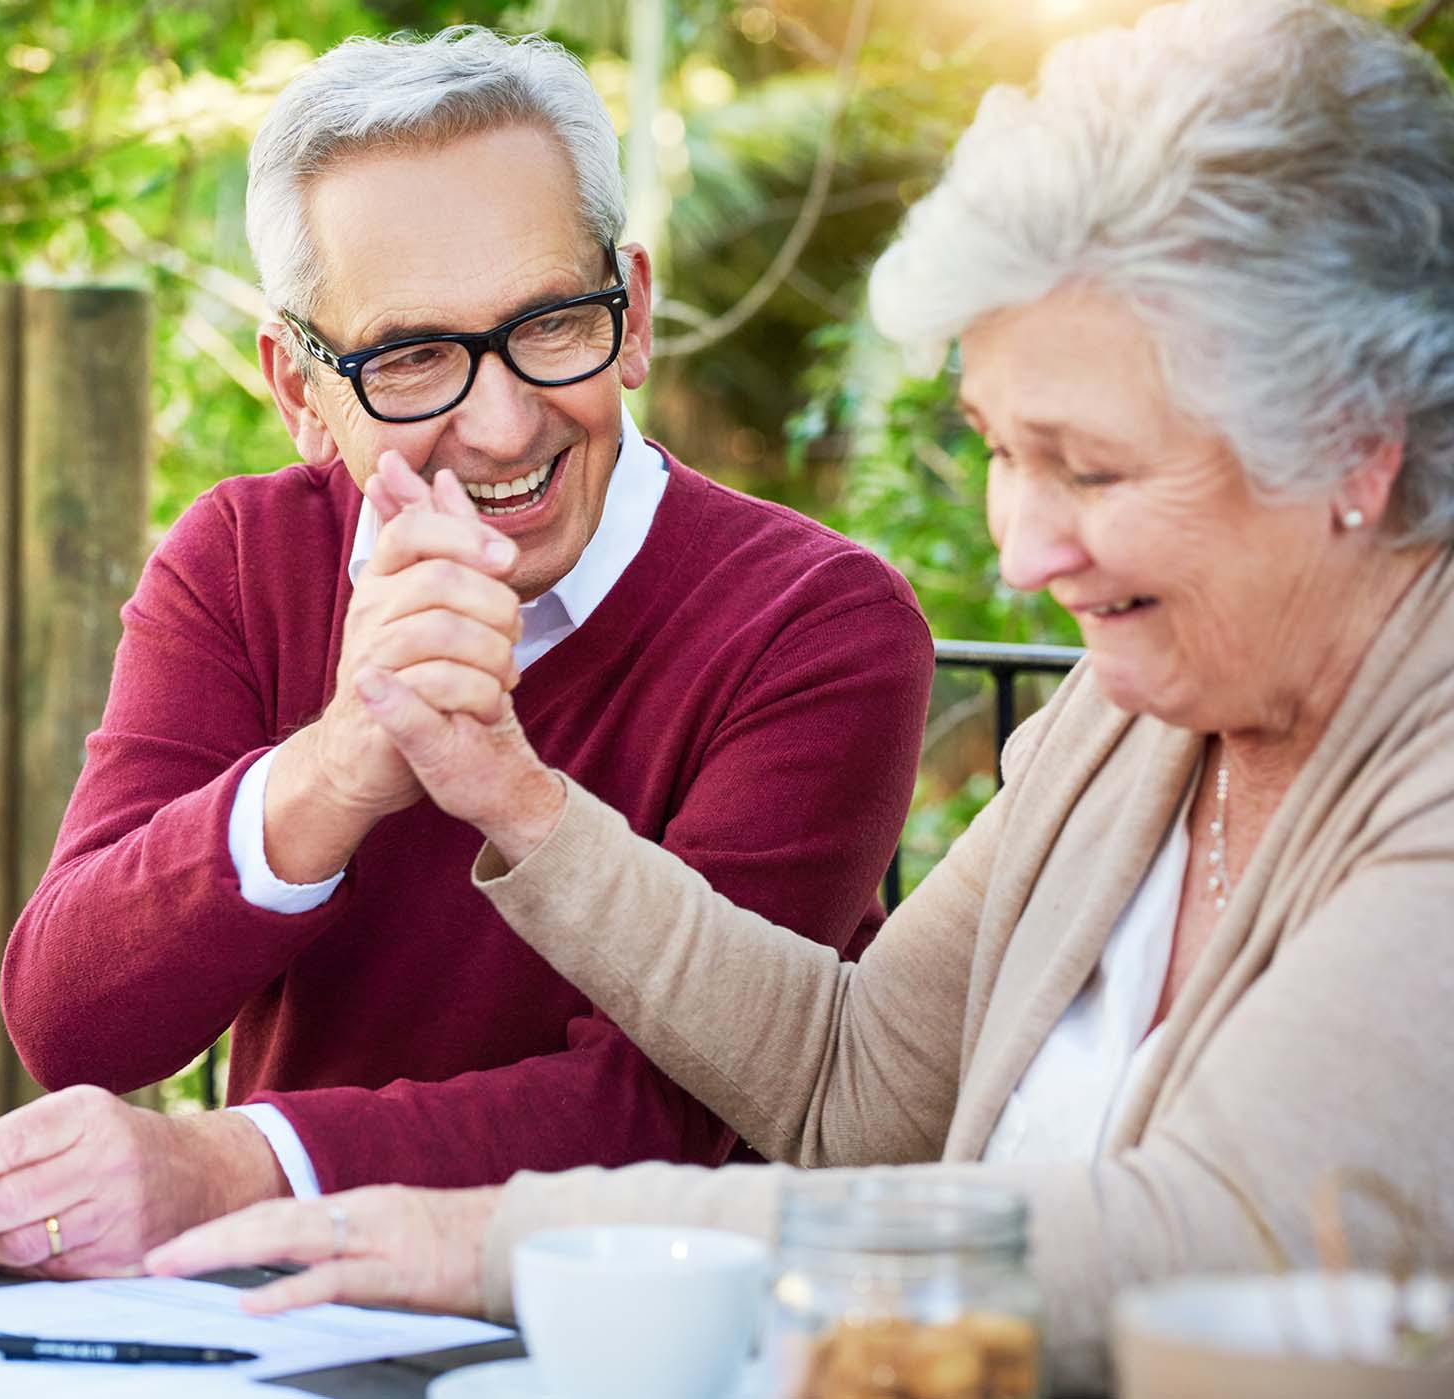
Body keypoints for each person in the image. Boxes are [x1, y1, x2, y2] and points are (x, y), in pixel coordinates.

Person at [140, 1, 1454, 1388]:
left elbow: (1195, 1239)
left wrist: (508, 1237)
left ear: (1353, 453)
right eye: (1002, 449)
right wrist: (509, 792)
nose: (1020, 549)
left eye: (1091, 468)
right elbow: (855, 1082)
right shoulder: (1142, 718)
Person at [0, 29, 934, 1273]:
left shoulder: (816, 621)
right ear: (297, 388)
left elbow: (677, 1115)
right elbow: (73, 1022)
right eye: (413, 359)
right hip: (300, 1320)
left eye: (551, 324)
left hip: (653, 1325)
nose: (498, 425)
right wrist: (337, 768)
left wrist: (234, 1166)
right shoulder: (241, 557)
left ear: (634, 313)